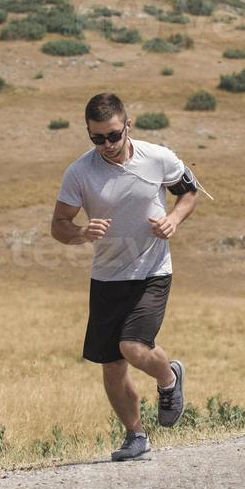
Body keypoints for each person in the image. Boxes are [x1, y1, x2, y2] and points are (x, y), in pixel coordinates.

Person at [51, 92, 200, 461]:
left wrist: (173, 220)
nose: (106, 145)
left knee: (132, 347)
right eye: (97, 138)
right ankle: (136, 436)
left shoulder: (159, 157)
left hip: (151, 270)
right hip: (106, 277)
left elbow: (189, 193)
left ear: (128, 126)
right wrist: (81, 233)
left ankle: (168, 379)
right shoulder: (80, 173)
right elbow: (59, 225)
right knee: (113, 366)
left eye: (113, 135)